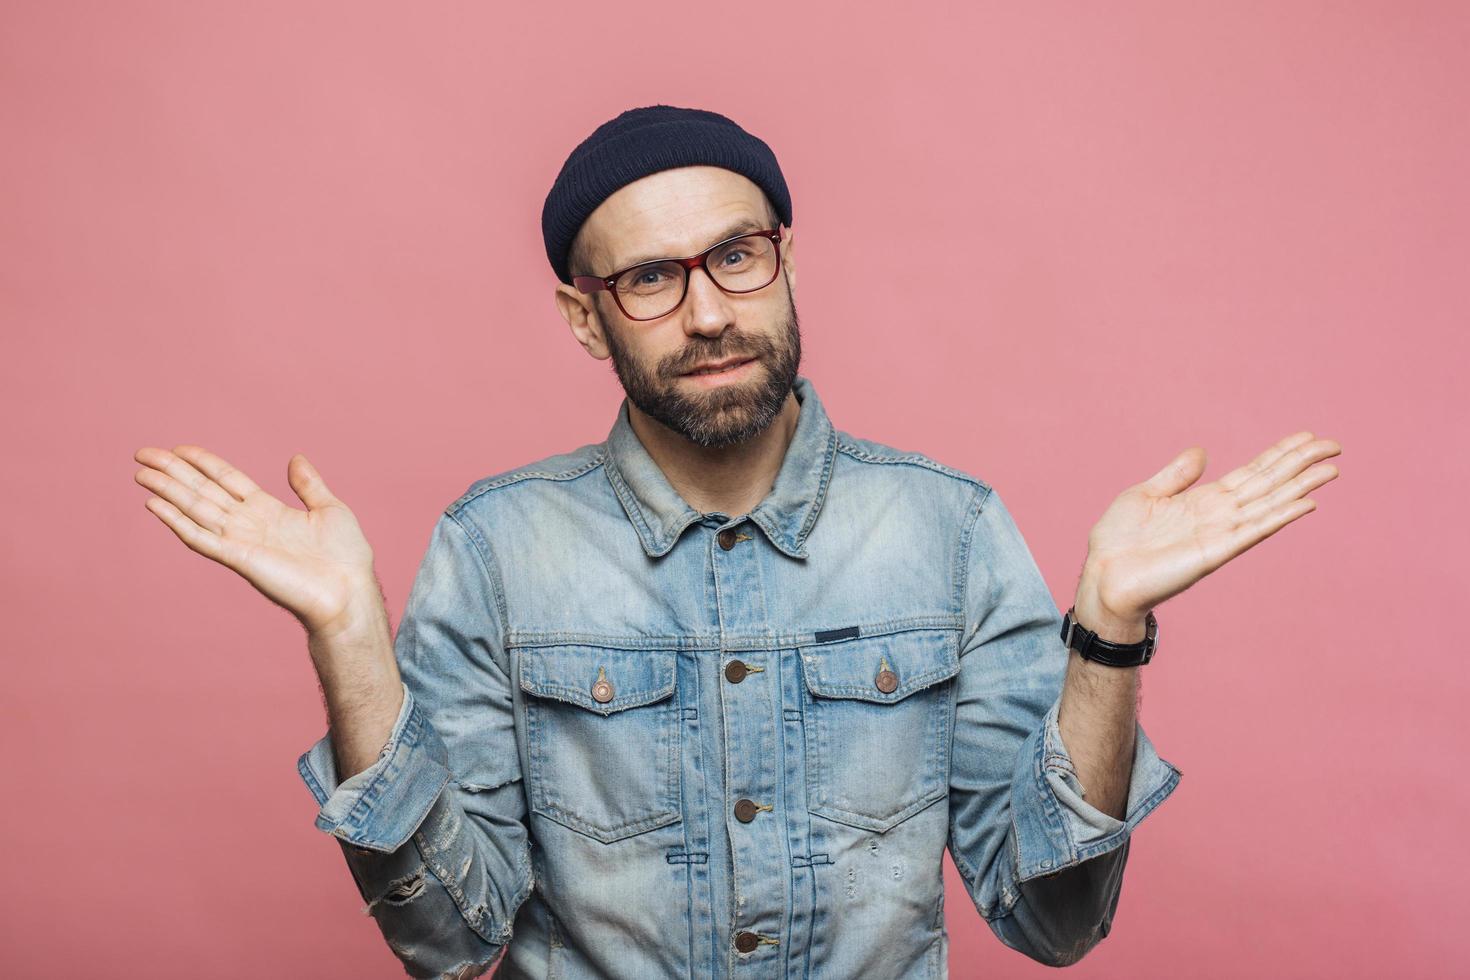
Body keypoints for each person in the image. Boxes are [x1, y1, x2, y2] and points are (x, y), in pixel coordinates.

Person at [132, 104, 1341, 979]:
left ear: (786, 259)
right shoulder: (494, 547)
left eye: (737, 256)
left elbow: (1053, 918)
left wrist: (1109, 633)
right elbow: (451, 937)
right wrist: (348, 638)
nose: (708, 310)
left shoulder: (951, 527)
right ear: (585, 319)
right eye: (651, 278)